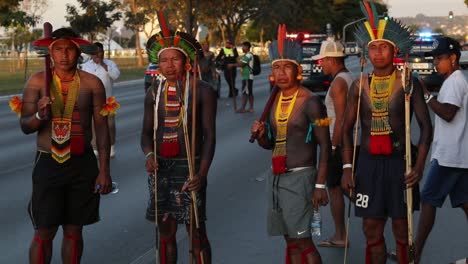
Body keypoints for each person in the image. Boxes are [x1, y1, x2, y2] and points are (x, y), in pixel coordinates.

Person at [341, 2, 433, 263]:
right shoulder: (359, 85)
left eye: (383, 47)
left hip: (399, 165)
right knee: (371, 229)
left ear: (394, 50)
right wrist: (348, 167)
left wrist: (418, 165)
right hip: (368, 167)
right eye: (373, 47)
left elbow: (427, 127)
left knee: (403, 232)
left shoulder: (408, 83)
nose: (377, 53)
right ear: (366, 51)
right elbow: (346, 129)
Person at [21, 28, 112, 264]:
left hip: (82, 163)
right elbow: (25, 125)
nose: (64, 55)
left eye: (69, 49)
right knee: (45, 231)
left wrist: (104, 170)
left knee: (74, 230)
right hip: (48, 162)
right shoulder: (37, 81)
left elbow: (101, 129)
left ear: (78, 50)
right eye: (58, 49)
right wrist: (40, 116)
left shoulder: (93, 84)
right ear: (50, 51)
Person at [250, 24, 331, 264]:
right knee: (290, 239)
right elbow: (270, 145)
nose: (282, 72)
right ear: (272, 74)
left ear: (298, 71)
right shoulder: (275, 101)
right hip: (276, 177)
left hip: (302, 178)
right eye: (277, 67)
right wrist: (262, 134)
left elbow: (325, 146)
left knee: (303, 240)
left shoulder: (312, 102)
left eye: (287, 67)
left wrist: (319, 185)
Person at [141, 19, 217, 264]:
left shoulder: (202, 90)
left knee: (196, 231)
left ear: (186, 61)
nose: (169, 65)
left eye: (175, 59)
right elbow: (145, 134)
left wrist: (201, 174)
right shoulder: (154, 92)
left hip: (191, 166)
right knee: (165, 231)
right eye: (164, 60)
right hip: (162, 168)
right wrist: (149, 156)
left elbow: (209, 136)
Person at [415, 37, 468, 264]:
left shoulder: (456, 81)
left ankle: (414, 255)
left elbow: (448, 113)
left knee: (428, 199)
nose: (436, 63)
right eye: (435, 58)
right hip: (456, 155)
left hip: (450, 157)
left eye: (439, 58)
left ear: (453, 58)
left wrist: (426, 95)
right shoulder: (452, 80)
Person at [312, 40, 354, 248]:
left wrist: (333, 148)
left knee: (337, 188)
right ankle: (340, 233)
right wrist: (316, 124)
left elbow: (342, 118)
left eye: (322, 60)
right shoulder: (345, 78)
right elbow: (331, 117)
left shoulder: (339, 83)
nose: (321, 65)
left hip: (338, 144)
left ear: (331, 60)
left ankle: (341, 235)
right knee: (338, 186)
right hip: (338, 140)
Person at [81, 42, 120, 158]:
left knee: (110, 125)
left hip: (108, 101)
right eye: (95, 52)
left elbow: (116, 76)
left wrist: (103, 65)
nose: (97, 55)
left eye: (99, 52)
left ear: (103, 52)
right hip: (92, 101)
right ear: (91, 54)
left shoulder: (110, 63)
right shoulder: (86, 66)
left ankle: (111, 146)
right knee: (93, 126)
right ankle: (95, 148)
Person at [228, 41, 255, 113]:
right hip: (246, 76)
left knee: (245, 92)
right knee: (248, 92)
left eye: (243, 47)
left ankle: (243, 108)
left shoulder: (248, 55)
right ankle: (250, 107)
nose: (242, 48)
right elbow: (240, 63)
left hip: (247, 76)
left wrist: (232, 65)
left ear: (247, 47)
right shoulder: (246, 55)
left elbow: (241, 64)